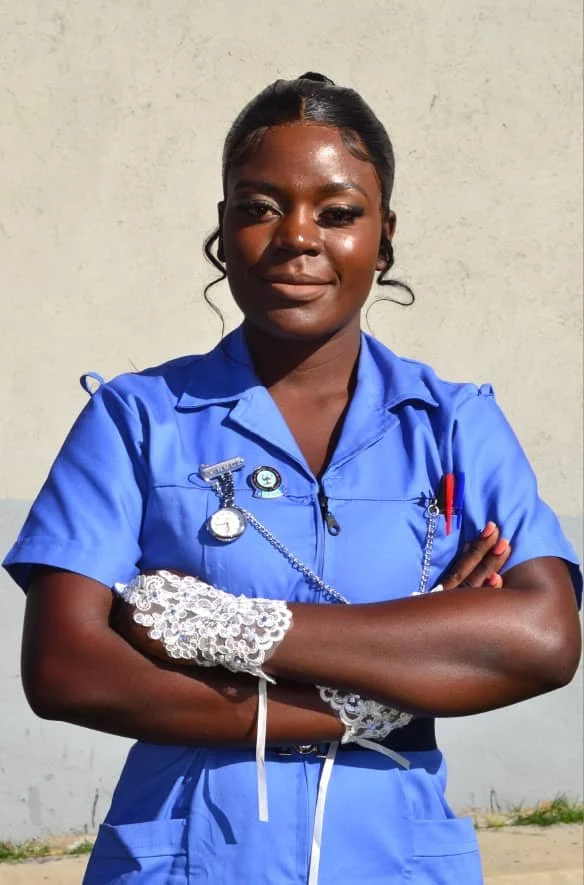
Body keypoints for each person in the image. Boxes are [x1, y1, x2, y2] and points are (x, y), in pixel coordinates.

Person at [4, 73, 581, 885]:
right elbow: (66, 666)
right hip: (188, 861)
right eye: (260, 206)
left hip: (398, 859)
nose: (297, 236)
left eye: (338, 212)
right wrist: (390, 675)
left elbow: (545, 640)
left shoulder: (454, 424)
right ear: (223, 229)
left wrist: (226, 628)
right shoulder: (136, 419)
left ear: (383, 238)